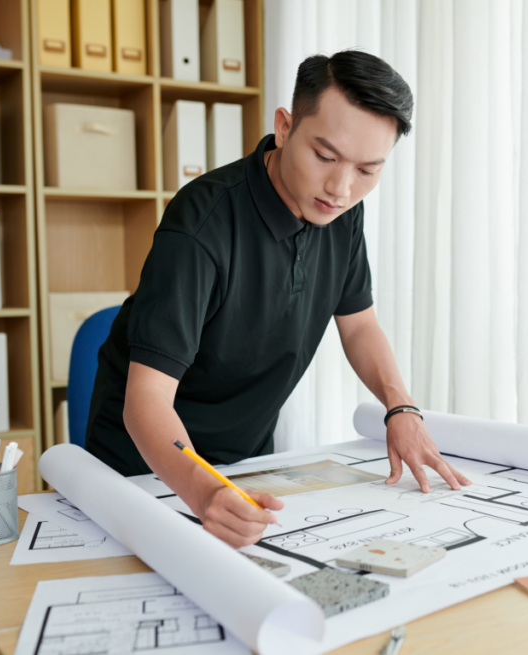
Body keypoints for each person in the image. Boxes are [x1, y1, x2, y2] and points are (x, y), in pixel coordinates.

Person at [85, 50, 470, 548]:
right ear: (285, 126)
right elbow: (147, 399)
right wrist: (203, 493)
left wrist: (401, 409)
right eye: (325, 157)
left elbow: (358, 324)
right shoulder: (201, 225)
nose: (341, 187)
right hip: (145, 472)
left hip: (246, 466)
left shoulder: (341, 212)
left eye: (367, 170)